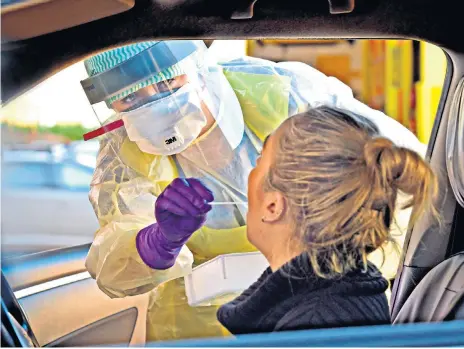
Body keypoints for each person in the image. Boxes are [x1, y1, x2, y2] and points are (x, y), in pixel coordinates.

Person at [80, 40, 426, 342]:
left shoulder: (286, 94)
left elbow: (389, 169)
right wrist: (156, 242)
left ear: (198, 64)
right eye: (129, 97)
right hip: (190, 331)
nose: (156, 102)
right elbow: (114, 263)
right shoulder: (124, 155)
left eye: (169, 80)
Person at [217, 106, 439, 334]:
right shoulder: (340, 294)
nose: (251, 171)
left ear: (273, 206)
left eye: (260, 160)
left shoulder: (315, 324)